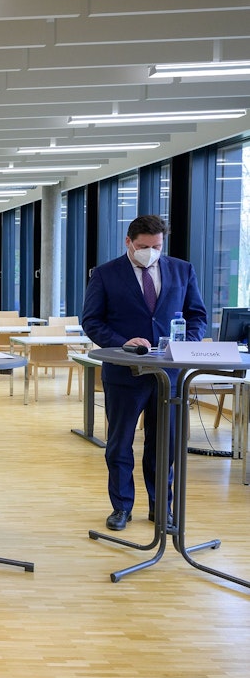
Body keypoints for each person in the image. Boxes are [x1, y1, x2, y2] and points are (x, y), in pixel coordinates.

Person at [82, 214, 207, 531]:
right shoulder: (106, 274)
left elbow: (197, 317)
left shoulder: (182, 270)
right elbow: (92, 321)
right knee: (120, 443)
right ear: (128, 242)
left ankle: (160, 507)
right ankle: (121, 507)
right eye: (143, 246)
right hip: (125, 373)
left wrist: (185, 345)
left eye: (156, 246)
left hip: (170, 374)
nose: (150, 252)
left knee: (163, 444)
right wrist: (122, 343)